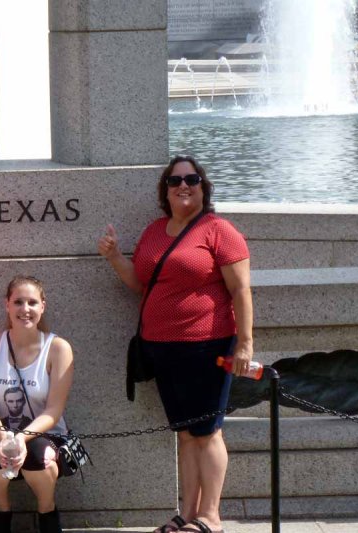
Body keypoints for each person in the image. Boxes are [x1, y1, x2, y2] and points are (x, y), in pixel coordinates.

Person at [97, 155, 253, 533]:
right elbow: (141, 285)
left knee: (208, 431)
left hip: (208, 344)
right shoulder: (153, 232)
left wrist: (245, 345)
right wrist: (116, 257)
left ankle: (211, 517)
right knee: (185, 431)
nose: (183, 185)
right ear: (164, 190)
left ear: (204, 187)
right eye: (174, 180)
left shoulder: (218, 230)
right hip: (162, 347)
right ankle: (187, 513)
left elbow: (240, 289)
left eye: (192, 179)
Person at [0, 275, 74, 533]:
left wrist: (22, 439)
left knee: (40, 455)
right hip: (1, 430)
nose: (25, 309)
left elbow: (54, 410)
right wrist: (5, 437)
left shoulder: (59, 348)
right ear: (7, 305)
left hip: (46, 434)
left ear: (43, 306)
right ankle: (2, 515)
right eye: (18, 302)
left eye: (32, 302)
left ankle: (47, 513)